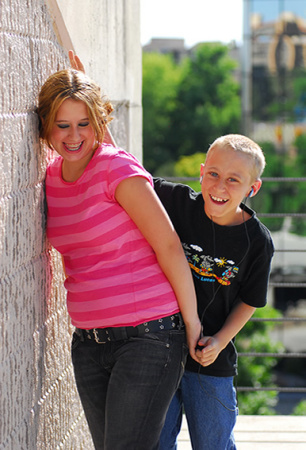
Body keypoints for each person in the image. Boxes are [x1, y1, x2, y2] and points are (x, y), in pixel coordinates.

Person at [37, 67, 202, 450]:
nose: (74, 135)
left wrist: (192, 323)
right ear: (45, 126)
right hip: (88, 345)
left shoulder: (119, 170)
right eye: (63, 125)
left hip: (149, 338)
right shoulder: (51, 178)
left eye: (84, 123)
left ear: (98, 122)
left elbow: (169, 246)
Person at [155, 134, 274, 450]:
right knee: (155, 442)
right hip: (158, 349)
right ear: (201, 171)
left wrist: (221, 341)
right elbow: (130, 176)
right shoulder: (177, 202)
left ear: (253, 188)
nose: (220, 187)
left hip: (210, 360)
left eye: (234, 180)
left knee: (213, 443)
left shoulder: (258, 242)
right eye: (214, 174)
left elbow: (250, 300)